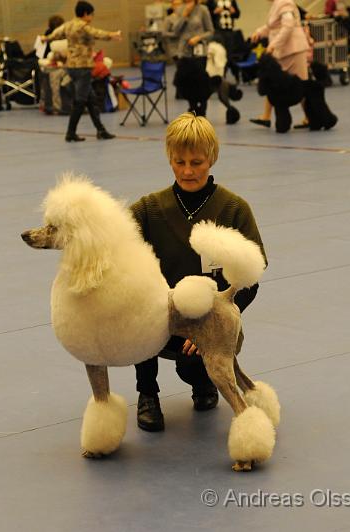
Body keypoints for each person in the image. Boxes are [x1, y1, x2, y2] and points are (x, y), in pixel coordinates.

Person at [130, 113, 265, 432]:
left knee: (196, 369)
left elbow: (251, 280)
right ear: (169, 159)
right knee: (134, 313)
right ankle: (147, 393)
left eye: (197, 162)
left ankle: (204, 381)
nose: (187, 171)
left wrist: (212, 321)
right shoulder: (148, 209)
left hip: (212, 321)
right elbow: (116, 244)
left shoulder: (234, 209)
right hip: (159, 320)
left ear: (212, 158)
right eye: (179, 162)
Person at [41, 1, 122, 142]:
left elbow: (56, 34)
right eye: (91, 14)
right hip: (83, 68)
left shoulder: (69, 24)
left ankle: (101, 130)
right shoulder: (83, 26)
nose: (92, 17)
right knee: (80, 101)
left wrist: (45, 38)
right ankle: (70, 133)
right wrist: (112, 34)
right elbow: (97, 33)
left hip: (71, 67)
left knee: (91, 100)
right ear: (85, 14)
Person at [248, 0, 310, 129]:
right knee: (273, 83)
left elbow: (288, 26)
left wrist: (273, 45)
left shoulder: (284, 3)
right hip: (282, 51)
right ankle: (266, 116)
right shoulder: (276, 4)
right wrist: (259, 32)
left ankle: (310, 117)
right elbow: (272, 27)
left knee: (302, 85)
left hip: (293, 49)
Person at [167, 0, 215, 116]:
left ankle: (202, 111)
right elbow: (175, 31)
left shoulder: (203, 9)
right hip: (184, 52)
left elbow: (210, 31)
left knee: (200, 83)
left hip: (199, 52)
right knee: (187, 83)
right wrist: (184, 15)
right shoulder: (180, 9)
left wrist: (198, 38)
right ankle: (192, 109)